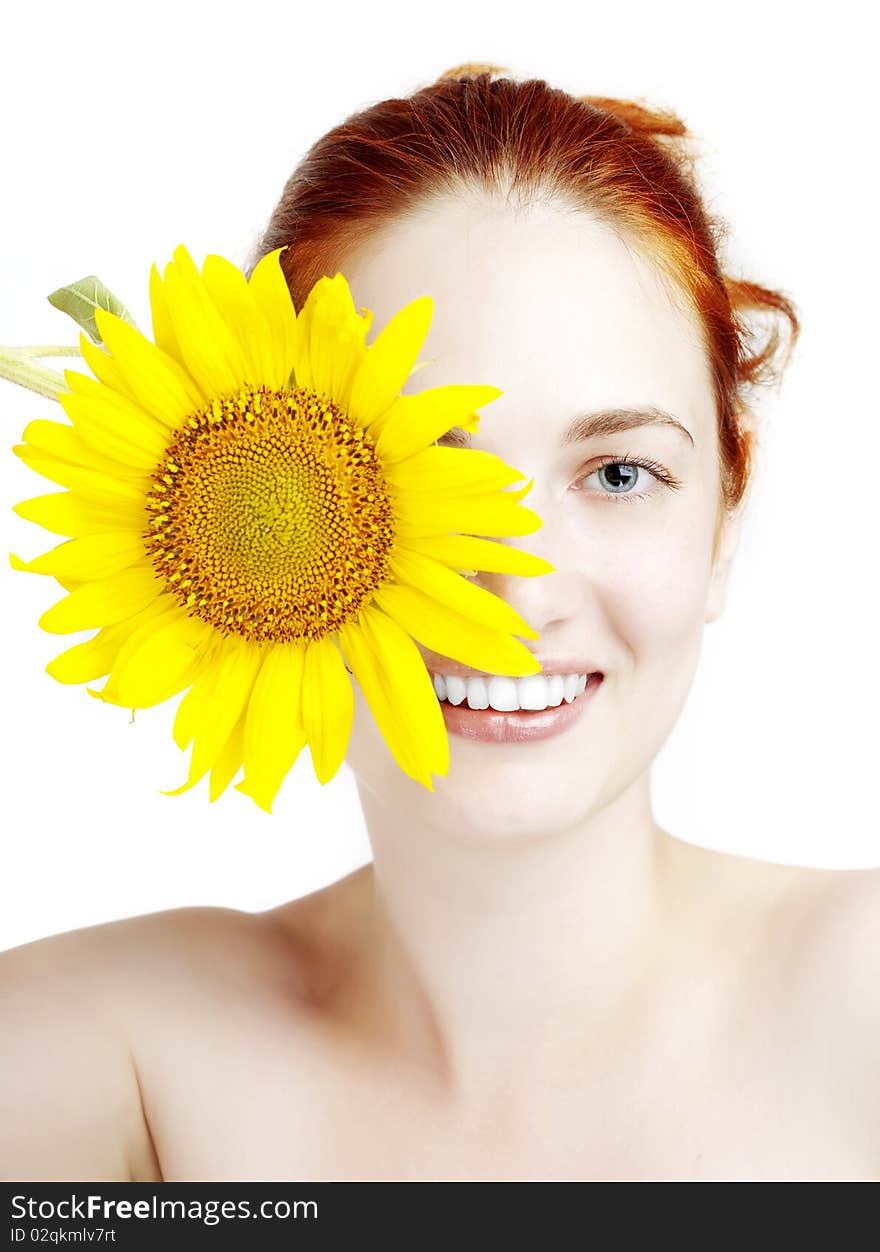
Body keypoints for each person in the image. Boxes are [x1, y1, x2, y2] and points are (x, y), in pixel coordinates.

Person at [1, 64, 877, 1184]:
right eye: (411, 476)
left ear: (721, 528)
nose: (514, 590)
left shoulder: (862, 1006)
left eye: (616, 472)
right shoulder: (99, 1056)